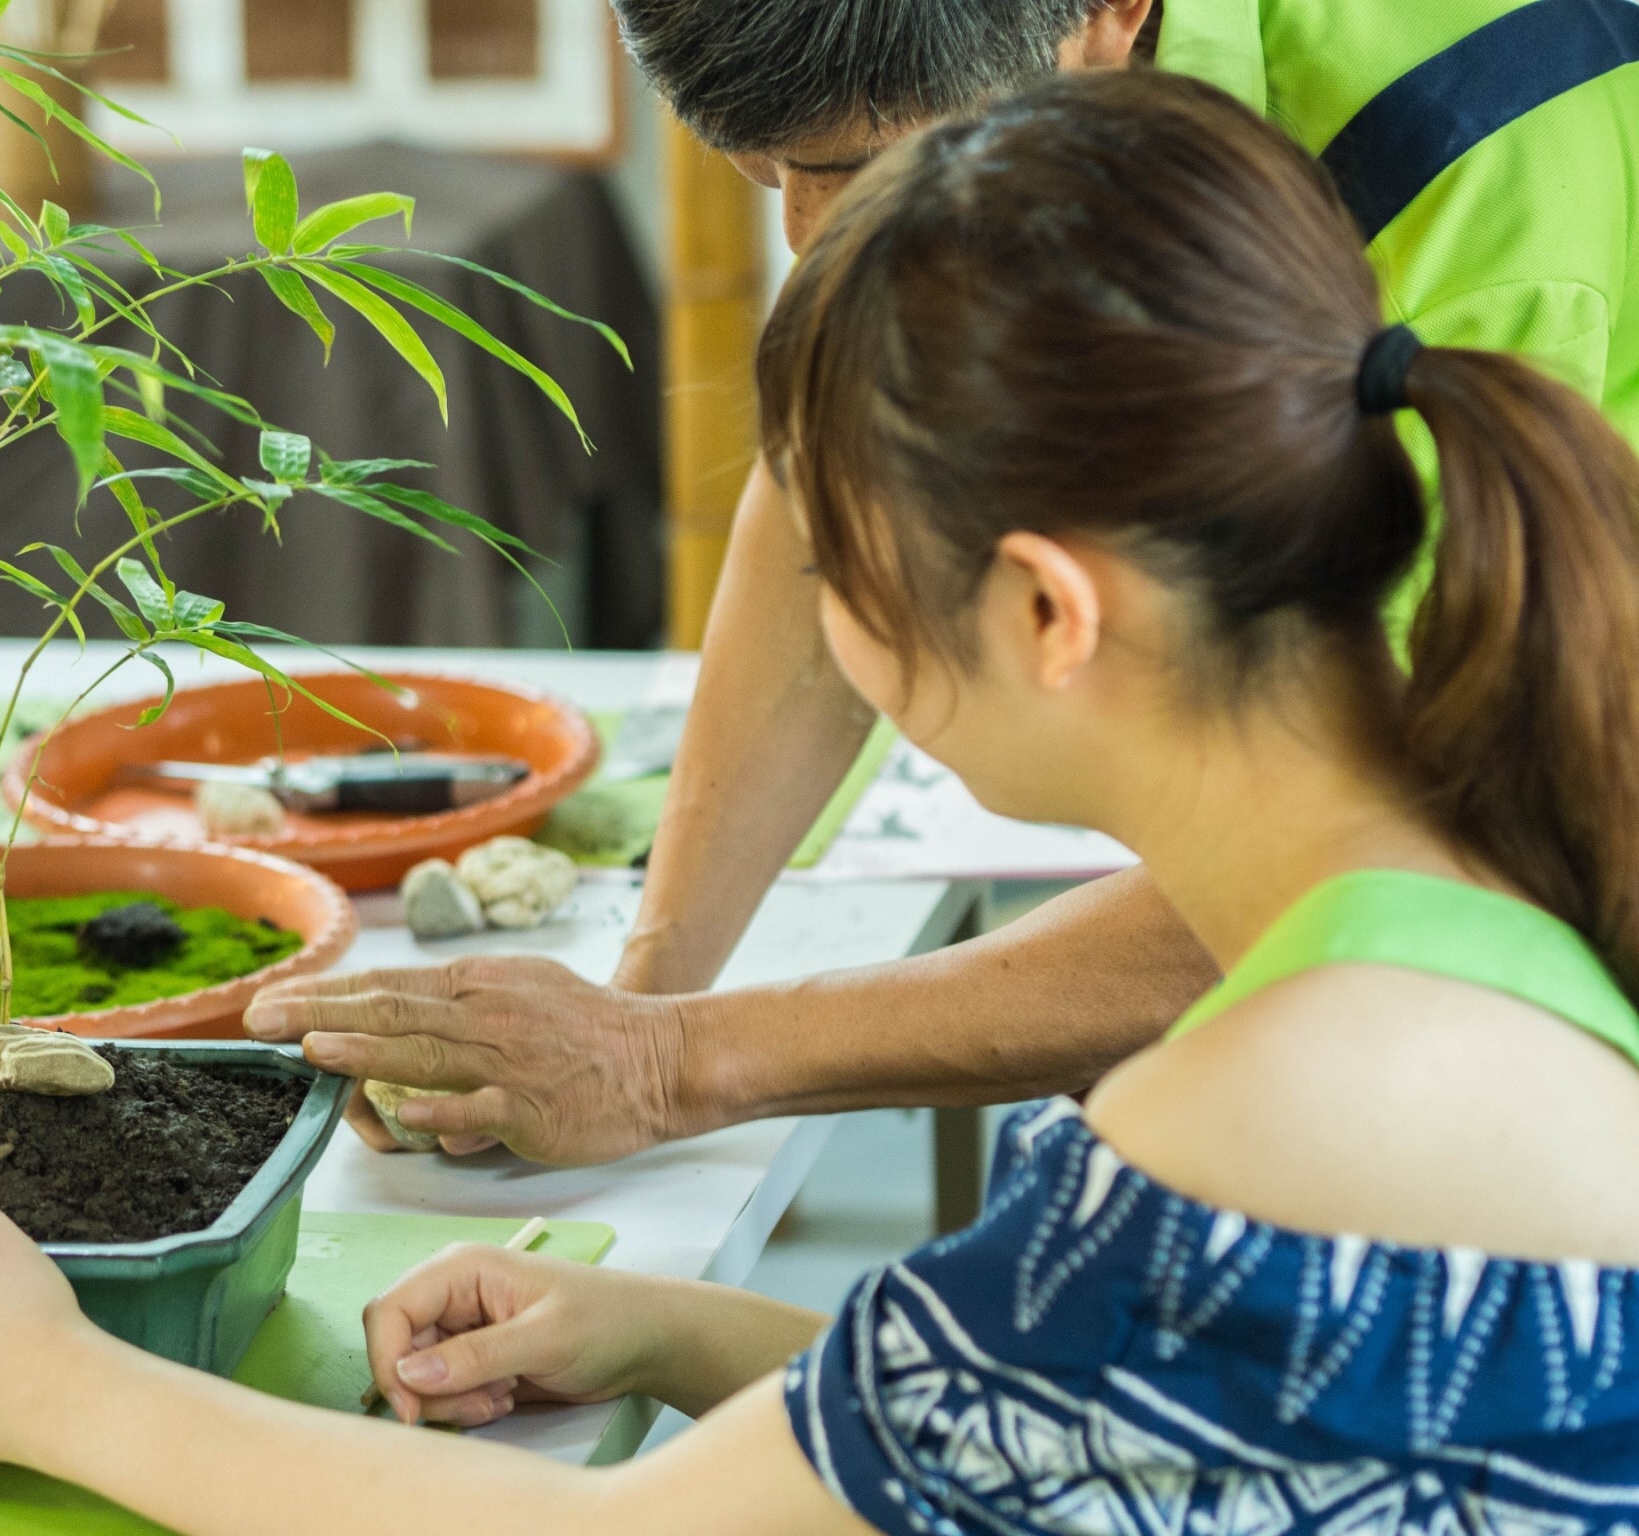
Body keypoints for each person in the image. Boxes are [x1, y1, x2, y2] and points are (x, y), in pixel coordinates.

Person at [0, 71, 1639, 1535]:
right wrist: (666, 1332)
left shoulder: (1285, 1093)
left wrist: (49, 1390)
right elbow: (1113, 1417)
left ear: (1046, 610)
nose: (837, 641)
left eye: (842, 575)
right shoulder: (1477, 917)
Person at [243, 0, 1639, 1167]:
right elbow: (840, 454)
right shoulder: (956, 69)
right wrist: (630, 1000)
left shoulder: (1486, 169)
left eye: (845, 170)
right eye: (759, 173)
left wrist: (678, 1064)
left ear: (1109, 17)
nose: (801, 238)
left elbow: (1391, 864)